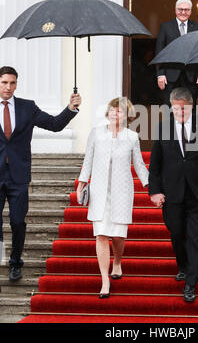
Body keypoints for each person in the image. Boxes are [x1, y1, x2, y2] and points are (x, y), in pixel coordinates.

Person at [0, 66, 81, 282]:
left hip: (18, 176)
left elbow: (54, 125)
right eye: (4, 82)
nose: (8, 87)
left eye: (12, 83)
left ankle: (15, 262)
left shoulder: (27, 107)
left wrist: (70, 109)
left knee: (17, 222)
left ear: (17, 84)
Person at [148, 87, 198, 303]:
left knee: (195, 237)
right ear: (171, 107)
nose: (180, 113)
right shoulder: (163, 127)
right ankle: (183, 266)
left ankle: (191, 283)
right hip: (172, 191)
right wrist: (154, 191)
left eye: (184, 109)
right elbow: (155, 165)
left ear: (191, 107)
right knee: (176, 233)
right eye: (176, 109)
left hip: (197, 191)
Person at [76, 97, 148, 298]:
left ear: (127, 116)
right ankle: (105, 280)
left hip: (122, 190)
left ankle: (117, 261)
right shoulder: (96, 133)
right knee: (101, 234)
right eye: (113, 110)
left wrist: (151, 185)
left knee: (117, 235)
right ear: (108, 112)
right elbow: (88, 159)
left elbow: (139, 164)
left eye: (121, 111)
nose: (116, 114)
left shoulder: (132, 137)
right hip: (99, 190)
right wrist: (82, 182)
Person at [155, 0, 198, 107]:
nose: (183, 12)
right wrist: (160, 74)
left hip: (191, 75)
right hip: (170, 75)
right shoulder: (165, 27)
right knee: (170, 107)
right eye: (180, 9)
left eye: (186, 10)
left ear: (191, 11)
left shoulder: (197, 27)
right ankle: (172, 125)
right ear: (175, 10)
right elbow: (160, 51)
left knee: (191, 108)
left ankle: (189, 125)